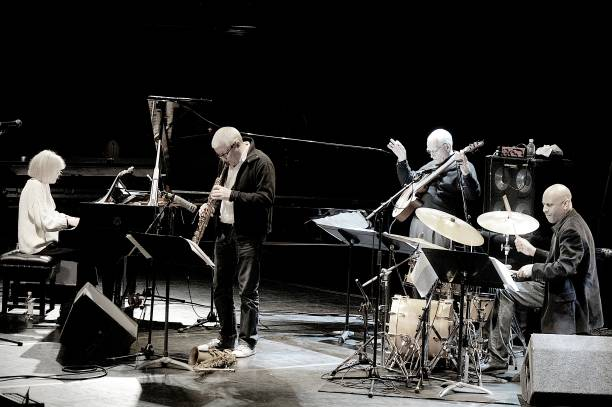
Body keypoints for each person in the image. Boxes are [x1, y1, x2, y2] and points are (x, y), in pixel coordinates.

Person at [483, 184, 604, 373]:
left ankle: (497, 360)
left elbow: (565, 268)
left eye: (549, 205)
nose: (544, 209)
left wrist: (533, 268)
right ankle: (499, 359)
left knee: (505, 291)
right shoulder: (569, 222)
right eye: (543, 204)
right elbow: (562, 259)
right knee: (506, 289)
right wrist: (533, 252)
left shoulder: (571, 229)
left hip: (571, 299)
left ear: (565, 204)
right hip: (563, 289)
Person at [202, 126, 275, 358]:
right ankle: (226, 337)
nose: (222, 159)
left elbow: (266, 198)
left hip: (248, 234)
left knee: (247, 290)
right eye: (219, 156)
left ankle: (247, 341)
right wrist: (209, 205)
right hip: (224, 230)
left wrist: (230, 195)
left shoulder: (261, 162)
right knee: (219, 287)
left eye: (224, 154)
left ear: (237, 145)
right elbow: (220, 192)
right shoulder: (225, 161)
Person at [17, 150, 90, 325]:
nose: (60, 173)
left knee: (81, 257)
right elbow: (45, 221)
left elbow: (51, 214)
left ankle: (73, 308)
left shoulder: (42, 185)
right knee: (77, 258)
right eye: (57, 170)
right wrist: (69, 221)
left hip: (45, 242)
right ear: (47, 169)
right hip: (36, 246)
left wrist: (73, 220)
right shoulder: (33, 186)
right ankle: (68, 311)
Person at [387, 128, 481, 248]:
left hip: (441, 226)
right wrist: (402, 160)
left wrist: (466, 173)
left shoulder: (463, 166)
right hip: (418, 222)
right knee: (415, 264)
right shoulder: (430, 166)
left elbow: (473, 195)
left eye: (434, 151)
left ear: (447, 147)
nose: (431, 155)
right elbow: (409, 183)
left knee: (435, 264)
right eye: (429, 151)